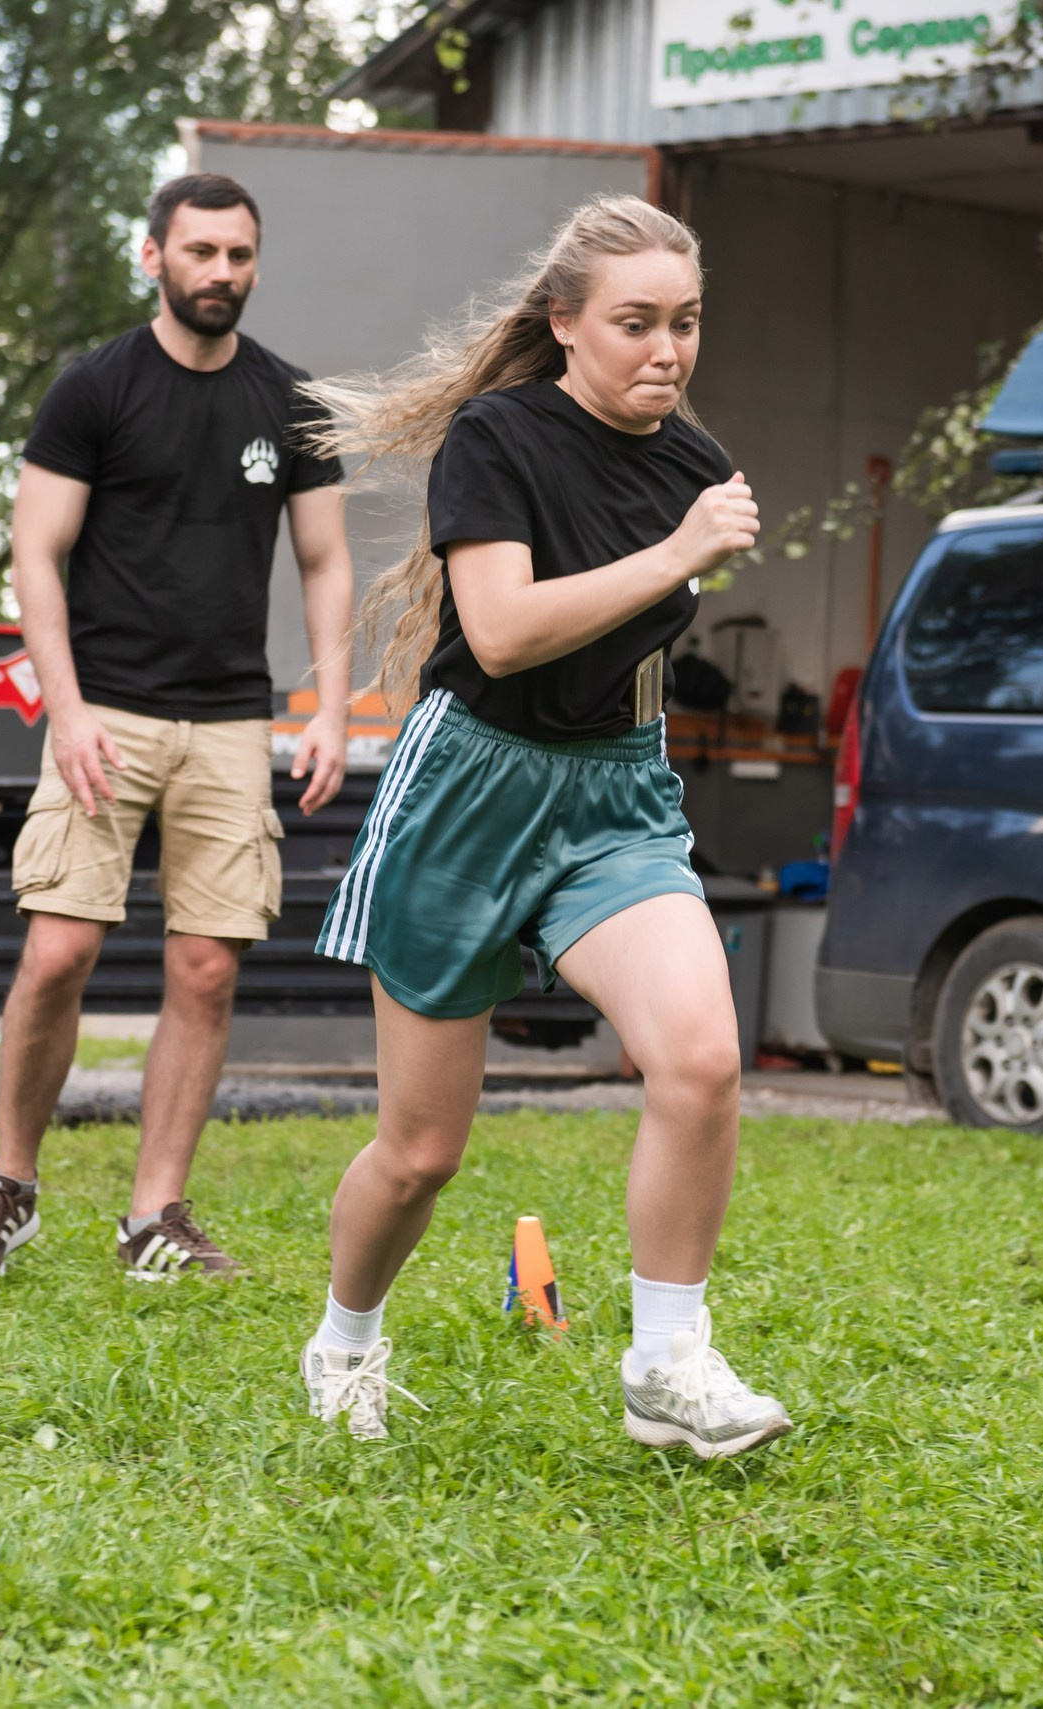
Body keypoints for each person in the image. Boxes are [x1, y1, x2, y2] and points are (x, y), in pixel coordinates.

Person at [296, 195, 791, 1458]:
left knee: (700, 1059)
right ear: (564, 323)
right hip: (469, 788)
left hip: (614, 790)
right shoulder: (497, 436)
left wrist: (682, 539)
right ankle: (345, 1337)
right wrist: (680, 549)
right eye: (635, 323)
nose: (665, 351)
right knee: (420, 1152)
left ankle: (666, 1360)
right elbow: (504, 628)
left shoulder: (691, 458)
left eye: (685, 323)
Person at [0, 172, 353, 1281]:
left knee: (208, 968)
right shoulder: (94, 390)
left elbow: (324, 559)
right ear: (152, 255)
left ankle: (153, 1213)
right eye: (201, 251)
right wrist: (63, 711)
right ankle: (11, 1181)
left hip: (228, 719)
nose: (221, 273)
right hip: (105, 708)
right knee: (59, 947)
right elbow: (36, 553)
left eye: (239, 255)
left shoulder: (290, 400)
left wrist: (328, 706)